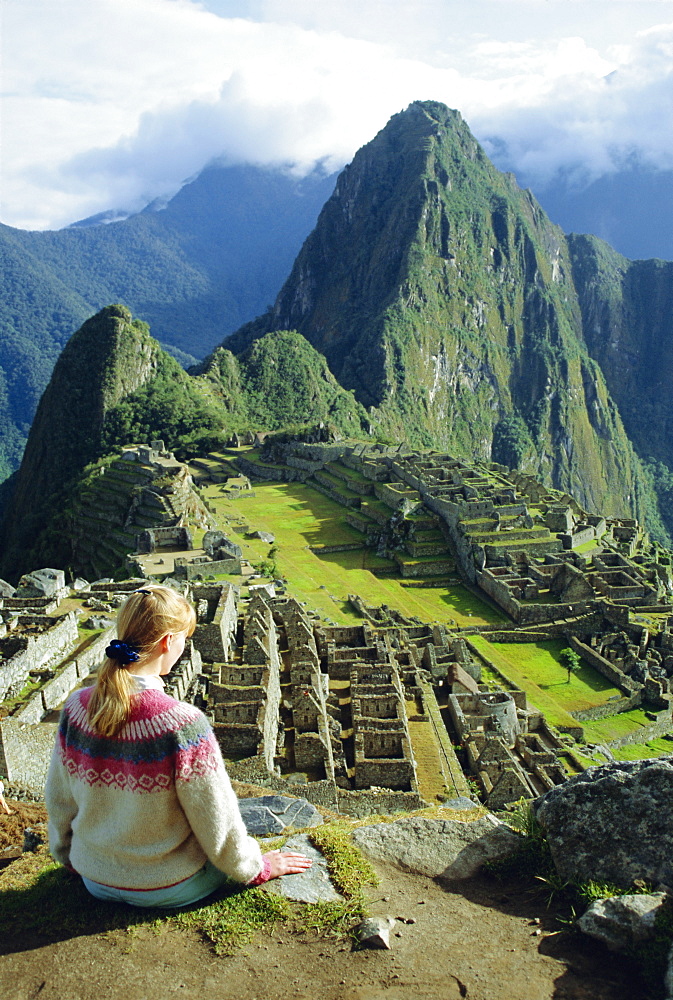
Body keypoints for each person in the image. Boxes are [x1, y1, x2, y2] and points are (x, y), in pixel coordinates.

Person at [45, 584, 311, 907]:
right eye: (184, 639)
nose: (184, 646)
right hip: (166, 885)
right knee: (213, 858)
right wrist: (259, 867)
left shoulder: (76, 709)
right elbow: (217, 821)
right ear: (167, 642)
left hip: (96, 881)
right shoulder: (180, 725)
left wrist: (70, 859)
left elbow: (59, 800)